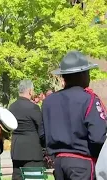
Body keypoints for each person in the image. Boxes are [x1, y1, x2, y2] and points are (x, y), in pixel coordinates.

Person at [42, 50, 107, 180]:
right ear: (82, 75)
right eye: (87, 73)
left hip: (59, 163)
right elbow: (98, 137)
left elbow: (42, 134)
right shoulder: (89, 99)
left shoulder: (49, 101)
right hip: (82, 162)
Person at [9, 79, 45, 180]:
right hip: (32, 152)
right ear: (30, 91)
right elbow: (41, 128)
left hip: (16, 151)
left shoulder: (12, 107)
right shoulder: (33, 107)